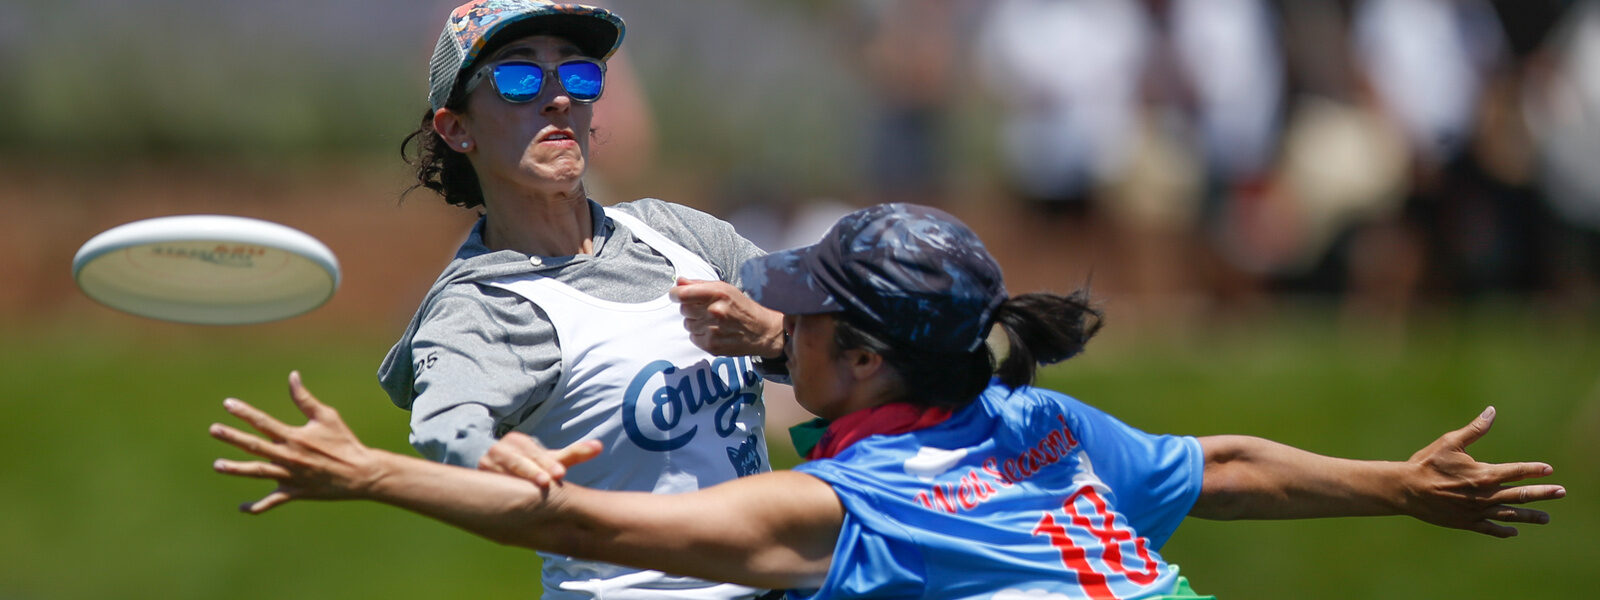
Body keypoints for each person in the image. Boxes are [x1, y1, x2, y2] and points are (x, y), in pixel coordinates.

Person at [214, 203, 1563, 599]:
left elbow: (599, 533)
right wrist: (1396, 487)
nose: (773, 316)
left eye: (802, 311)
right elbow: (1226, 461)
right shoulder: (1038, 427)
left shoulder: (852, 512)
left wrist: (366, 473)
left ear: (864, 364)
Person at [382, 1, 787, 597]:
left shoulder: (677, 234)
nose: (559, 98)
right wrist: (485, 458)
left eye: (578, 73)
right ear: (456, 128)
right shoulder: (487, 303)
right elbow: (448, 421)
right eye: (519, 78)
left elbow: (837, 325)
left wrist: (780, 337)